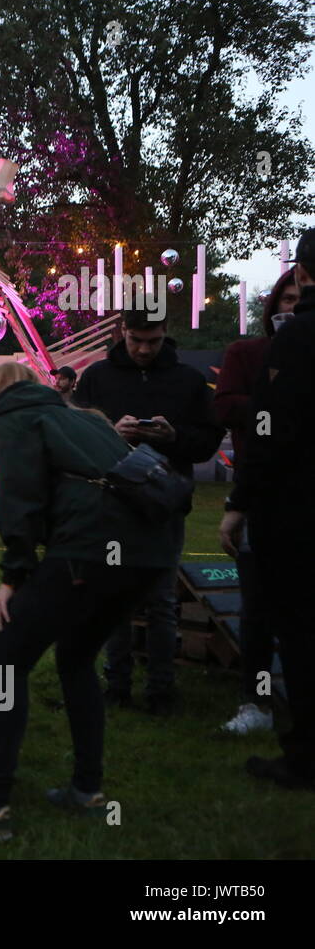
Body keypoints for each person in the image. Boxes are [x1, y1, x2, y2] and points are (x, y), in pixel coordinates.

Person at [0, 363, 177, 838]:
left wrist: (14, 576)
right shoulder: (83, 417)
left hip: (90, 549)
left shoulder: (12, 417)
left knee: (5, 660)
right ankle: (87, 789)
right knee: (76, 657)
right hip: (150, 552)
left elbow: (18, 498)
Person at [72, 307, 223, 714]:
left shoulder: (188, 381)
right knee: (113, 599)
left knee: (160, 600)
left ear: (164, 333)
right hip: (114, 505)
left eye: (153, 341)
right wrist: (108, 433)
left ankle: (161, 691)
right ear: (123, 331)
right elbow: (77, 439)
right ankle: (116, 686)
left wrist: (174, 436)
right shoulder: (97, 377)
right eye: (136, 340)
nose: (143, 349)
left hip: (164, 505)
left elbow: (208, 441)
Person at [222, 230, 315, 790]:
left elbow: (268, 429)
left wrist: (239, 502)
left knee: (300, 631)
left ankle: (304, 756)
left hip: (296, 511)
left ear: (301, 274)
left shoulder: (296, 339)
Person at [213, 267, 298, 735]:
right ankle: (258, 701)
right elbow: (225, 406)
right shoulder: (248, 352)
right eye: (286, 299)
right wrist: (277, 404)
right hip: (261, 493)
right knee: (258, 607)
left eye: (301, 297)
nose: (293, 306)